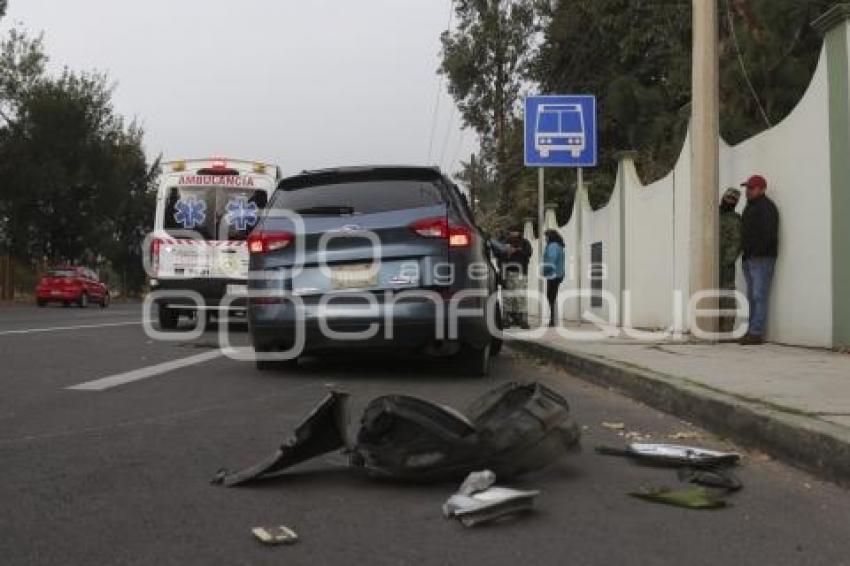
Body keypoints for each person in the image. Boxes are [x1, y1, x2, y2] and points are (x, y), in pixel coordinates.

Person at [739, 174, 779, 345]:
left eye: (751, 188)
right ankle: (750, 331)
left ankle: (756, 333)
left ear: (761, 189)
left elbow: (769, 234)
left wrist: (757, 252)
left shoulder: (767, 208)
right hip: (749, 258)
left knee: (759, 295)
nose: (748, 191)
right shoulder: (749, 208)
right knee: (751, 296)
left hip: (761, 258)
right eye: (747, 187)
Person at [719, 188, 742, 333]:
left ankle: (726, 328)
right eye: (728, 198)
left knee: (726, 296)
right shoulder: (712, 214)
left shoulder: (735, 220)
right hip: (710, 265)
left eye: (733, 200)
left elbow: (737, 243)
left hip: (725, 267)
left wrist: (726, 262)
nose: (729, 201)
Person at [503, 229, 533, 329]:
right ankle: (507, 319)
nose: (513, 234)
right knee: (508, 297)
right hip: (508, 273)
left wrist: (517, 250)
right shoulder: (506, 243)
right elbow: (501, 256)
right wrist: (507, 252)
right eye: (511, 232)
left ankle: (523, 320)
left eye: (515, 232)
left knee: (521, 297)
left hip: (521, 273)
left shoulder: (525, 243)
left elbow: (528, 253)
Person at [542, 230, 566, 327]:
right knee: (552, 296)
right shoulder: (559, 246)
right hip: (558, 274)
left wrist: (545, 270)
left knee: (550, 296)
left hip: (553, 274)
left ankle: (553, 320)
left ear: (550, 237)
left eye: (546, 236)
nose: (545, 239)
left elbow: (551, 260)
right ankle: (553, 319)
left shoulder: (553, 246)